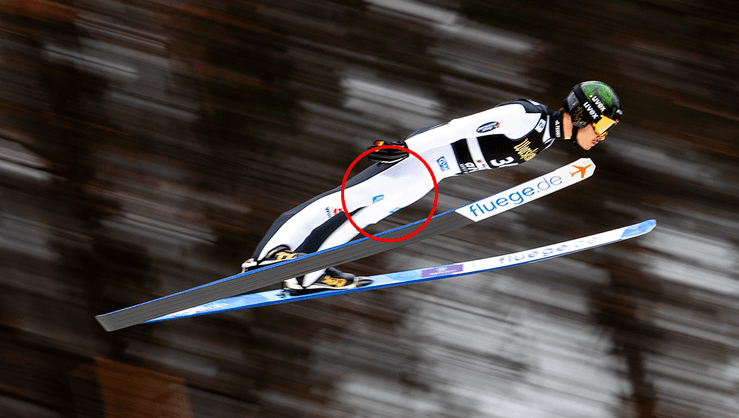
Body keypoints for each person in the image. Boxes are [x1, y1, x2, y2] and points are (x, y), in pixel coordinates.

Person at [242, 81, 623, 295]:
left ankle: (307, 274)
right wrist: (406, 148)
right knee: (347, 200)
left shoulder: (546, 138)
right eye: (603, 126)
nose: (602, 136)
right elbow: (459, 128)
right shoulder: (525, 116)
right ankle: (268, 256)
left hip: (433, 175)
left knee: (366, 216)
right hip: (422, 159)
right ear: (584, 114)